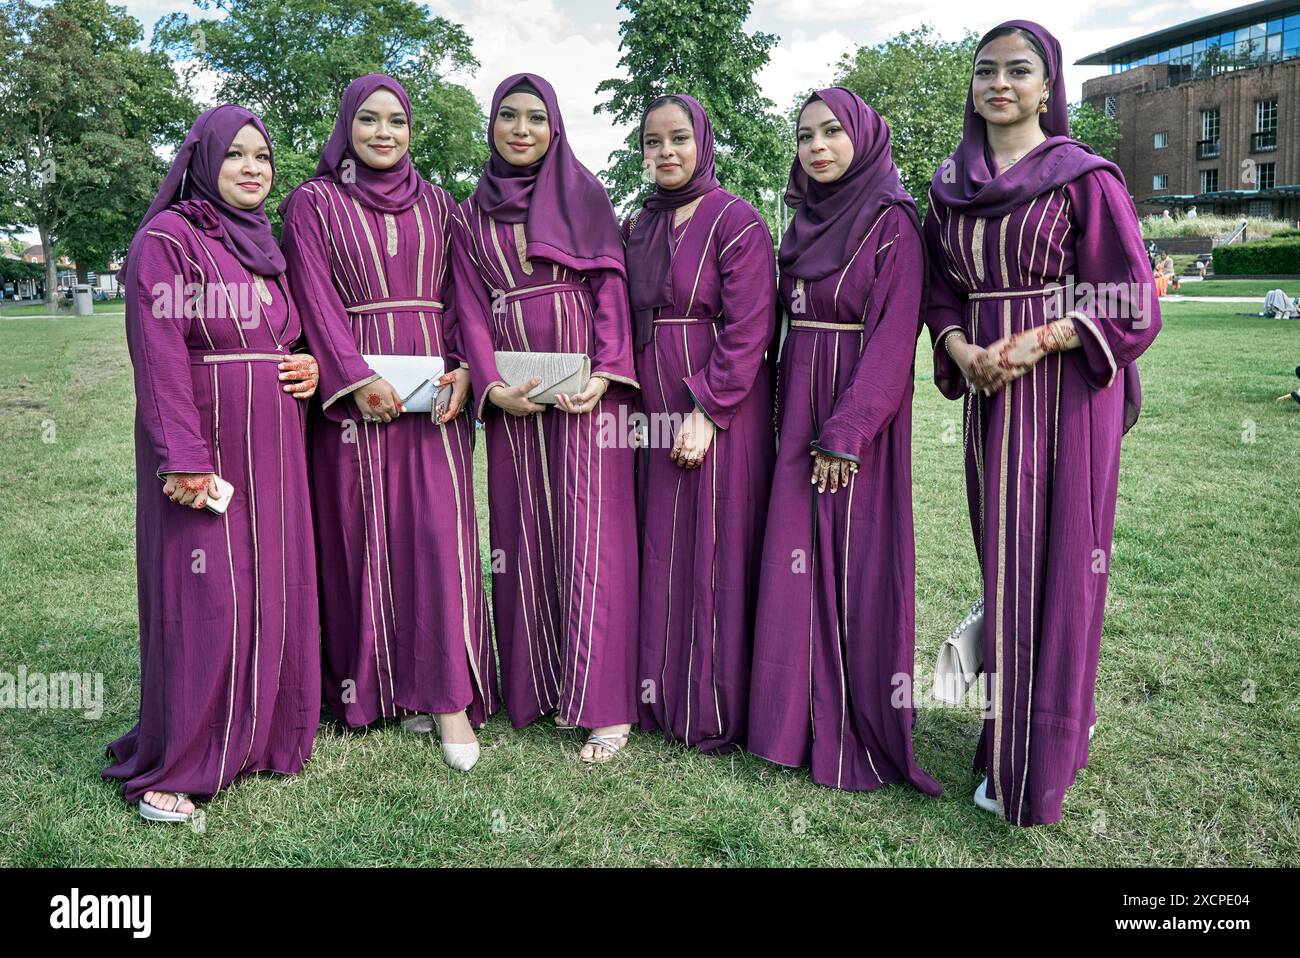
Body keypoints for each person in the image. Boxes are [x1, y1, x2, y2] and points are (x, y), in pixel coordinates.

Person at [923, 20, 1161, 825]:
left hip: (1065, 392)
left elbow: (1130, 297)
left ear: (1048, 87)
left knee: (1061, 565)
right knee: (1007, 563)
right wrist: (960, 347)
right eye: (986, 71)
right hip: (990, 391)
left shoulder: (1084, 179)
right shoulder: (948, 185)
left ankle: (1042, 752)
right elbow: (940, 292)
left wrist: (1044, 338)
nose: (1000, 83)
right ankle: (1014, 726)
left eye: (1018, 71)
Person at [103, 105, 322, 821]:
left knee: (271, 586)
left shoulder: (266, 245)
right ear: (203, 161)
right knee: (209, 594)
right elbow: (159, 351)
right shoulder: (168, 239)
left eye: (262, 156)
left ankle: (257, 739)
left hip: (276, 443)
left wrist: (308, 368)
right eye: (236, 156)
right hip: (208, 443)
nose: (252, 169)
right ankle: (185, 761)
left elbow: (285, 334)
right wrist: (184, 458)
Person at [279, 75, 497, 772]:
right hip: (354, 403)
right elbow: (311, 292)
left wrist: (467, 367)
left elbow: (464, 294)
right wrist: (353, 375)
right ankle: (369, 689)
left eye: (396, 121)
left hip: (435, 394)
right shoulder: (312, 203)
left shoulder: (442, 205)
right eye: (367, 120)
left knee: (437, 539)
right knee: (359, 536)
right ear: (345, 127)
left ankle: (448, 699)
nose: (382, 132)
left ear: (411, 130)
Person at [747, 87, 943, 797]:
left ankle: (848, 721)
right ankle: (783, 721)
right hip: (795, 404)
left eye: (832, 132)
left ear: (863, 136)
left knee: (850, 561)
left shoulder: (894, 223)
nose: (818, 146)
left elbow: (894, 340)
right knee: (791, 557)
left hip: (850, 418)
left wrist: (847, 432)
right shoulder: (801, 222)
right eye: (805, 135)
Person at [450, 73, 640, 762]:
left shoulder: (584, 193)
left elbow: (611, 285)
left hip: (582, 389)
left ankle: (605, 705)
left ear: (555, 128)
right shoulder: (470, 214)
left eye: (536, 117)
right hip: (512, 396)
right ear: (493, 125)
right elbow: (467, 305)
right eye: (508, 116)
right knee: (522, 531)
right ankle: (536, 688)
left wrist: (606, 371)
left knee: (591, 537)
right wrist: (491, 386)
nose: (521, 129)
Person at [622, 94, 776, 753]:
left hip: (717, 405)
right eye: (653, 142)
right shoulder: (637, 225)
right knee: (659, 542)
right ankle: (654, 692)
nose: (666, 153)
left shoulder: (736, 220)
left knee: (713, 545)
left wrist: (708, 411)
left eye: (678, 138)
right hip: (647, 403)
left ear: (702, 141)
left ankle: (710, 704)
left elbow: (748, 331)